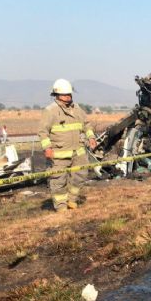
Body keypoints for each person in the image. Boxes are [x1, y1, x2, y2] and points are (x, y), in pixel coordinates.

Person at [38, 79, 97, 212]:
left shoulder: (77, 108)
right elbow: (42, 132)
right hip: (58, 154)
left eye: (69, 94)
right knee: (58, 181)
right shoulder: (50, 111)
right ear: (57, 95)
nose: (68, 97)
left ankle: (71, 199)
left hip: (78, 152)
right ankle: (61, 207)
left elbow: (86, 124)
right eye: (65, 95)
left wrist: (91, 137)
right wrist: (47, 148)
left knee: (81, 175)